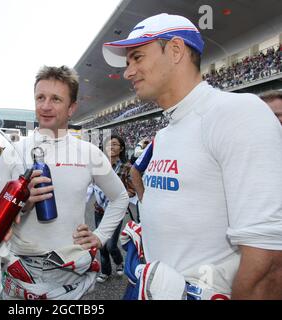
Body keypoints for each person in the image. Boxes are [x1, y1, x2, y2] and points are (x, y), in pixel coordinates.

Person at [103, 13, 282, 299]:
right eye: (128, 63)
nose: (128, 72)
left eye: (137, 58)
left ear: (175, 51)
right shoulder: (165, 134)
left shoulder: (237, 113)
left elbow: (269, 263)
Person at [0, 65, 129, 300]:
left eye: (56, 99)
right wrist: (23, 202)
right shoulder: (13, 154)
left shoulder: (89, 153)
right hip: (22, 275)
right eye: (40, 97)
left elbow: (120, 197)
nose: (46, 106)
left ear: (72, 108)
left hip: (72, 275)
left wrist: (100, 237)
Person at [89, 135, 135, 283]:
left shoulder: (126, 167)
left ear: (121, 148)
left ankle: (119, 261)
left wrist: (118, 196)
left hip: (115, 211)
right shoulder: (98, 165)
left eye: (115, 144)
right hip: (99, 210)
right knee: (100, 244)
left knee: (110, 245)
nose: (111, 147)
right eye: (109, 144)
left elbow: (131, 189)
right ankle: (105, 271)